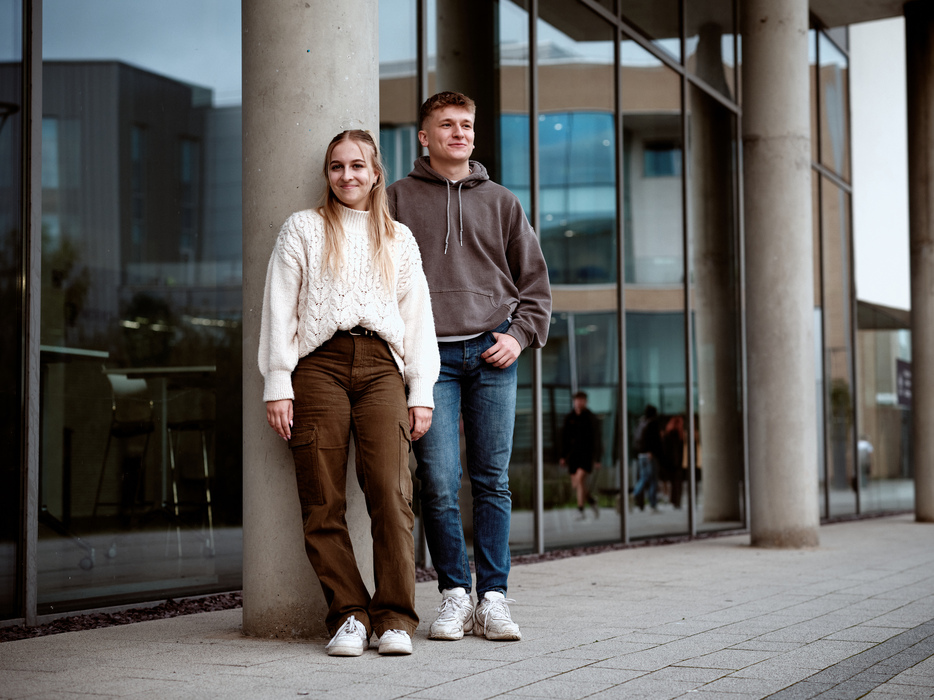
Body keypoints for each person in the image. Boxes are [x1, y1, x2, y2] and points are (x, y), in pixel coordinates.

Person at [258, 130, 439, 658]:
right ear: (327, 174)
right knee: (322, 496)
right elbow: (278, 310)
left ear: (375, 173)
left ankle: (395, 618)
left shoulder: (398, 238)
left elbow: (417, 320)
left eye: (358, 166)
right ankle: (349, 616)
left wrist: (420, 391)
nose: (347, 176)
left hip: (383, 367)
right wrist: (278, 382)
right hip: (318, 368)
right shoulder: (304, 229)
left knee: (390, 490)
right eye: (336, 167)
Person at [387, 92, 551, 642]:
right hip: (427, 360)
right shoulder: (395, 200)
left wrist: (519, 337)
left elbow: (535, 288)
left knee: (492, 481)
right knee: (436, 480)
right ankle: (455, 593)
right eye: (446, 125)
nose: (459, 133)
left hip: (491, 353)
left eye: (466, 125)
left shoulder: (503, 201)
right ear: (424, 137)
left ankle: (495, 597)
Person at [559, 391, 602, 520]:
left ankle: (580, 509)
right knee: (577, 484)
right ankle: (591, 500)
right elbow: (564, 438)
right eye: (577, 400)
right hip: (572, 456)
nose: (579, 402)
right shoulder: (569, 417)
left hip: (586, 455)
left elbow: (596, 439)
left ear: (585, 402)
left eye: (581, 400)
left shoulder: (591, 418)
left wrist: (597, 458)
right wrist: (562, 456)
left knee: (579, 479)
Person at [632, 404, 662, 512]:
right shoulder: (653, 423)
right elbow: (654, 440)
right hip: (650, 455)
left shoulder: (642, 422)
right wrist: (653, 451)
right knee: (653, 480)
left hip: (641, 454)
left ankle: (634, 495)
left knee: (644, 477)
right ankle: (652, 504)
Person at [660, 415, 686, 509]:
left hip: (670, 463)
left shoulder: (668, 435)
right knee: (677, 484)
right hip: (675, 463)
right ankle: (676, 502)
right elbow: (677, 451)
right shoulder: (676, 435)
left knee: (674, 483)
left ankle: (674, 501)